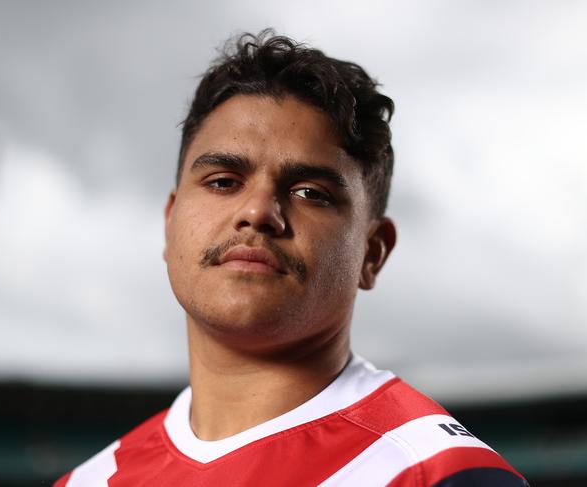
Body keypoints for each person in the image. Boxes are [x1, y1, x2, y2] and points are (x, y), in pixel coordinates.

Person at [55, 31, 529, 486]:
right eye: (223, 181)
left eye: (310, 192)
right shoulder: (87, 482)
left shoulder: (438, 475)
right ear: (170, 221)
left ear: (372, 252)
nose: (259, 211)